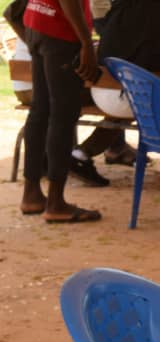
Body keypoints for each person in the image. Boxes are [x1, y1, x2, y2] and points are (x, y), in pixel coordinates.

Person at [69, 0, 160, 186]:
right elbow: (152, 63)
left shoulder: (120, 7)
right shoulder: (154, 9)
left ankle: (81, 154)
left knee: (135, 97)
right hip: (124, 96)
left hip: (101, 91)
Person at [19, 0, 102, 222]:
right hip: (60, 31)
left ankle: (32, 194)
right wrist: (86, 42)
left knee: (40, 110)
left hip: (37, 22)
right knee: (62, 115)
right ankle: (56, 203)